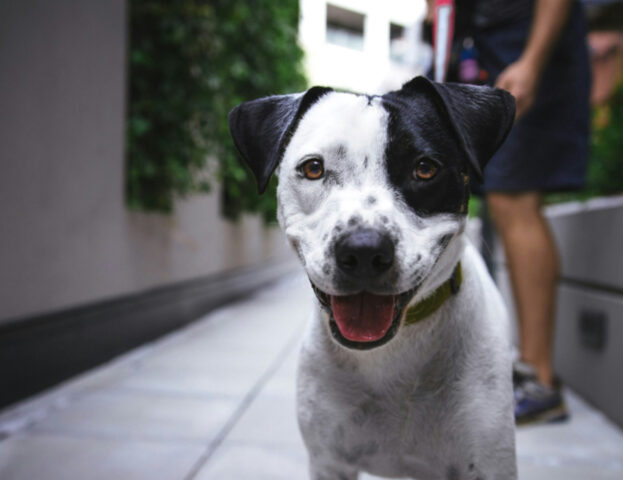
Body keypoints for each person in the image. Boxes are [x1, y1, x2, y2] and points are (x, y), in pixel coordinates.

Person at [427, 0, 591, 424]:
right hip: (477, 44)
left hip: (528, 43)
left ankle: (540, 380)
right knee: (466, 191)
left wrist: (533, 61)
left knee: (513, 196)